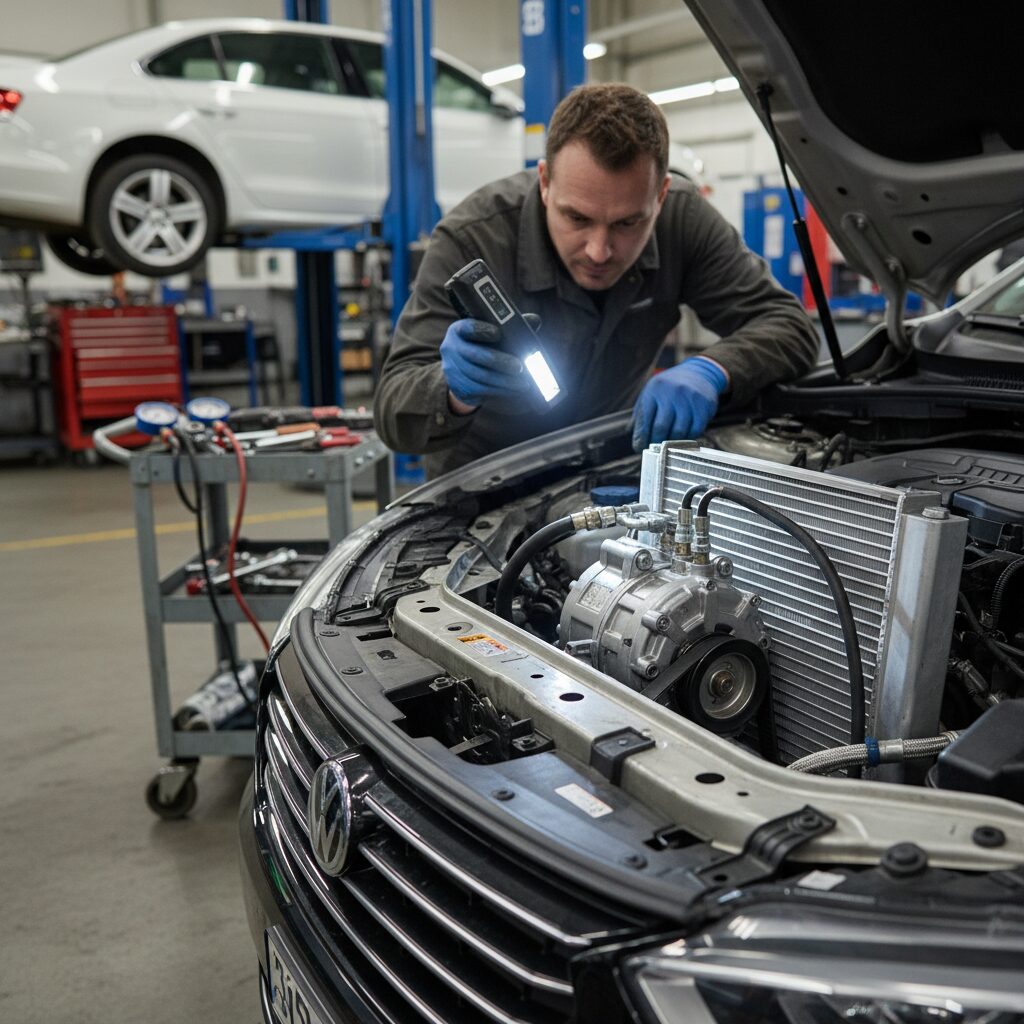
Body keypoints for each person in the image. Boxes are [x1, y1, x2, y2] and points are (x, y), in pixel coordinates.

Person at [374, 83, 818, 478]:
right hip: (484, 488)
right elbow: (393, 412)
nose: (599, 251)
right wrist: (452, 391)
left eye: (627, 223)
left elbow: (789, 325)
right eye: (577, 218)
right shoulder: (472, 239)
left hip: (609, 472)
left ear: (661, 195)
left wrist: (714, 369)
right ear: (545, 183)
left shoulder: (683, 219)